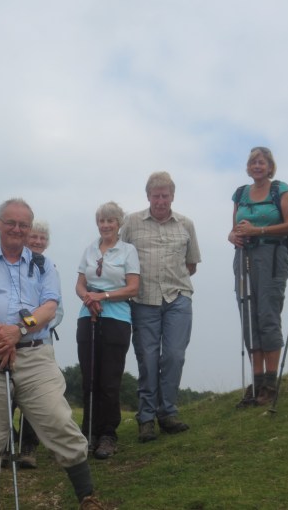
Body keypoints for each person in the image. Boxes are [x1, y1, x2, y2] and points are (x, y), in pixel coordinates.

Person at [0, 199, 105, 510]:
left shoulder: (44, 266)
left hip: (35, 356)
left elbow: (49, 307)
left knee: (59, 420)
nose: (17, 229)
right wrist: (2, 336)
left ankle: (88, 498)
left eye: (23, 225)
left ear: (30, 229)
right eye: (10, 222)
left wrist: (18, 331)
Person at [121, 171, 201, 443]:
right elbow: (119, 258)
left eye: (165, 195)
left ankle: (167, 412)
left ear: (172, 196)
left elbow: (192, 264)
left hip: (177, 297)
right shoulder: (131, 222)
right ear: (148, 196)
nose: (160, 201)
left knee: (174, 356)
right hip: (143, 300)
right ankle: (146, 419)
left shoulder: (186, 224)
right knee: (148, 358)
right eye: (156, 195)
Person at [228, 147, 288, 407]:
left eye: (262, 162)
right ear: (248, 167)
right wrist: (233, 235)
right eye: (253, 162)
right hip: (243, 256)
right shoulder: (240, 194)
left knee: (268, 313)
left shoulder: (281, 189)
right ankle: (256, 381)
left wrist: (258, 230)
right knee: (248, 315)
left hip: (271, 255)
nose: (257, 166)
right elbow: (234, 228)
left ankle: (270, 381)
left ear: (270, 167)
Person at [76, 202, 140, 459]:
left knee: (109, 380)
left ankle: (107, 434)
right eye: (102, 221)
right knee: (89, 377)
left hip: (117, 319)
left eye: (110, 221)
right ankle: (87, 433)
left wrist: (103, 295)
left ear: (118, 223)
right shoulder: (90, 249)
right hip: (87, 317)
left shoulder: (128, 250)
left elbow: (133, 287)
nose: (105, 225)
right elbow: (80, 284)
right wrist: (88, 299)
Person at [15, 220, 64, 469]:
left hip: (40, 342)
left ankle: (28, 446)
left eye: (42, 238)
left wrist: (33, 324)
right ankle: (3, 445)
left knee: (35, 397)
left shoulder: (50, 268)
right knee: (7, 395)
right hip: (11, 341)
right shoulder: (14, 265)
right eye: (33, 236)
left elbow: (57, 310)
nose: (37, 241)